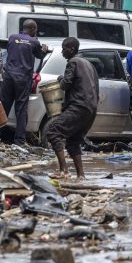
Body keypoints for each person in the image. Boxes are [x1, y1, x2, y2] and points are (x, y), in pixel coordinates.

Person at [47, 37, 99, 180]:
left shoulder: (73, 62)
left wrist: (60, 79)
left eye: (64, 48)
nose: (63, 51)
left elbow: (65, 84)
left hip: (78, 106)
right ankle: (81, 176)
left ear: (71, 49)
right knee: (73, 141)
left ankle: (64, 170)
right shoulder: (89, 64)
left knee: (52, 131)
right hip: (91, 109)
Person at [0, 19, 49, 145]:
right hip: (22, 79)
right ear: (33, 29)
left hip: (9, 76)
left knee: (4, 106)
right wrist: (43, 49)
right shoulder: (34, 41)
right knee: (21, 109)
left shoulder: (12, 38)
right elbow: (40, 55)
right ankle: (19, 140)